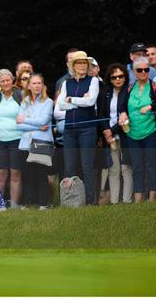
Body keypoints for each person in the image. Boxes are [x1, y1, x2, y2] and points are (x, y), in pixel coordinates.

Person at [122, 57, 156, 202]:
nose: (143, 72)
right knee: (137, 167)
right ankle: (138, 199)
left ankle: (152, 198)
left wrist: (151, 107)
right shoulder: (129, 88)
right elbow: (122, 105)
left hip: (150, 132)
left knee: (152, 166)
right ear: (134, 72)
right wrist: (122, 112)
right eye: (139, 70)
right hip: (132, 133)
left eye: (146, 69)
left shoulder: (155, 86)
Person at [57, 51, 99, 205]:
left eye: (84, 63)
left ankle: (90, 202)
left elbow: (91, 102)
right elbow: (61, 105)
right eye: (79, 63)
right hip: (69, 130)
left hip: (87, 128)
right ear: (73, 66)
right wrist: (81, 100)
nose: (82, 65)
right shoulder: (67, 83)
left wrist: (72, 99)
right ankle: (70, 202)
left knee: (87, 166)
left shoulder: (93, 81)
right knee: (69, 166)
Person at [17, 74, 54, 209]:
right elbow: (18, 125)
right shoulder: (24, 101)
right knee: (27, 176)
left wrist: (25, 120)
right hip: (25, 143)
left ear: (43, 85)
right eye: (34, 83)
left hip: (41, 142)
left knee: (41, 175)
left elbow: (44, 121)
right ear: (29, 86)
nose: (37, 86)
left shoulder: (48, 102)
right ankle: (28, 203)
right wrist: (37, 126)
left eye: (39, 83)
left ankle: (44, 203)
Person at [99, 63, 133, 204]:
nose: (118, 79)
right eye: (114, 77)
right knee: (114, 170)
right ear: (109, 79)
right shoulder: (106, 93)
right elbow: (101, 114)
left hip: (125, 134)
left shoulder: (129, 91)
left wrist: (111, 131)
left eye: (121, 76)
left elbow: (127, 115)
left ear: (125, 77)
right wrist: (106, 131)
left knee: (126, 168)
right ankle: (114, 202)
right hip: (110, 137)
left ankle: (126, 201)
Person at [0, 69, 24, 207]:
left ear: (12, 80)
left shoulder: (20, 95)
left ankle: (15, 204)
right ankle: (0, 205)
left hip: (17, 138)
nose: (5, 83)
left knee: (15, 173)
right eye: (2, 81)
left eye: (8, 80)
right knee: (1, 174)